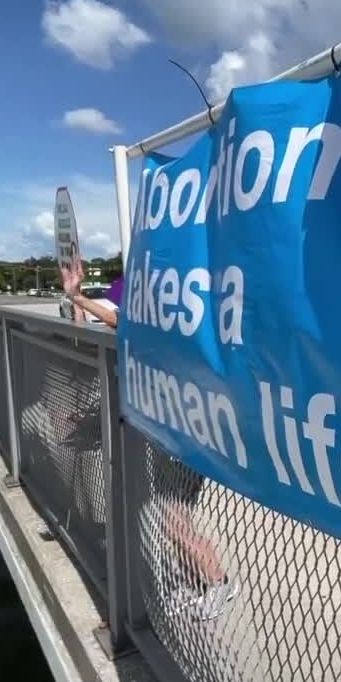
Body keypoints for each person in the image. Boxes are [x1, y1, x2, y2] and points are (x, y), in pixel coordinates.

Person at [60, 262, 237, 620]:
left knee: (175, 522)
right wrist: (77, 299)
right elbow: (100, 325)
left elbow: (116, 322)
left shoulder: (166, 289)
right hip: (171, 426)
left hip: (186, 429)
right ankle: (198, 587)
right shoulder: (148, 284)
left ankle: (219, 583)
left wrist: (78, 296)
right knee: (173, 521)